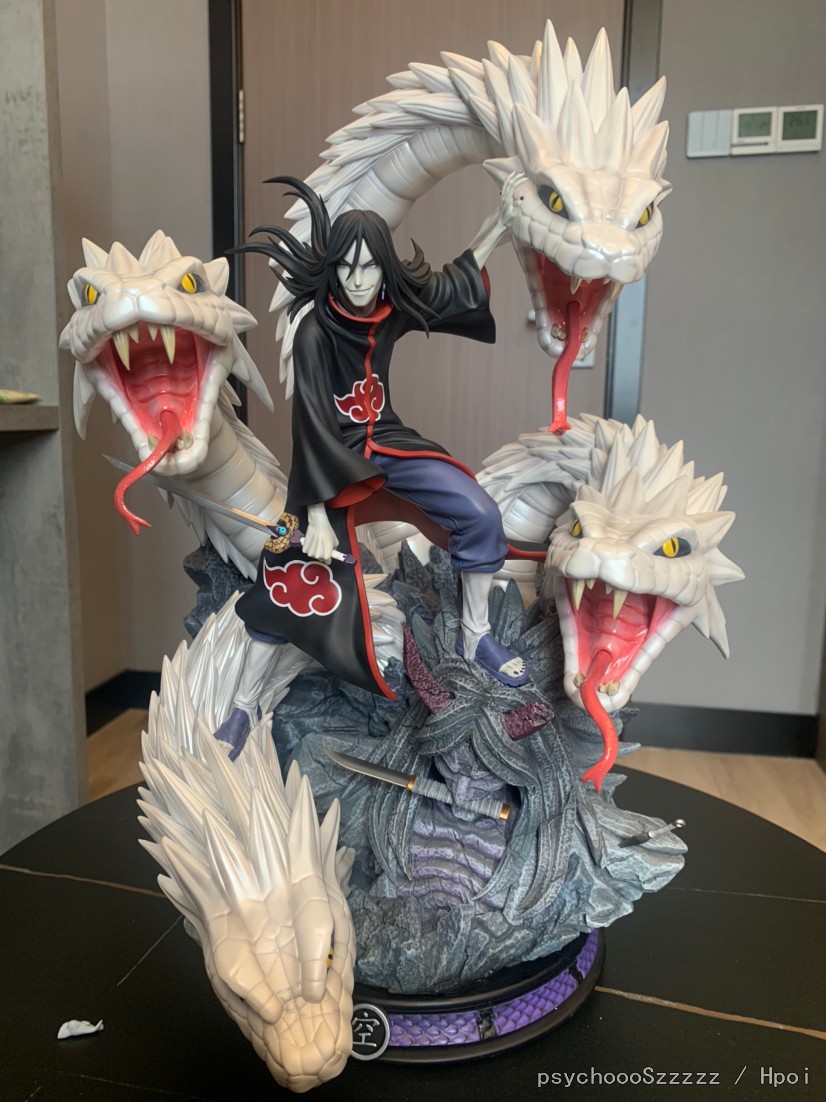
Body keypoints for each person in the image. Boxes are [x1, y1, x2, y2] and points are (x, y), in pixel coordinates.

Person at [215, 174, 539, 759]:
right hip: (329, 463)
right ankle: (241, 705)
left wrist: (497, 223)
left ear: (382, 268)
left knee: (479, 513)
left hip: (387, 443)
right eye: (346, 268)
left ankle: (474, 638)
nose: (359, 280)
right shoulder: (313, 331)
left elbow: (447, 288)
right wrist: (317, 516)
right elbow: (311, 423)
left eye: (369, 267)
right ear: (332, 270)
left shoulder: (389, 307)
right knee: (287, 577)